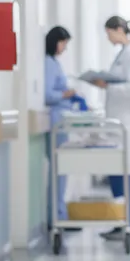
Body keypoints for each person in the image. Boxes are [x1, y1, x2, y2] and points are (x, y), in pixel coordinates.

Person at [89, 16, 130, 241]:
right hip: (119, 121)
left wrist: (108, 86)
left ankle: (128, 224)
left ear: (118, 30)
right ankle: (119, 222)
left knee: (126, 172)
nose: (108, 38)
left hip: (128, 121)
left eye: (109, 33)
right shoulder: (124, 53)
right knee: (116, 170)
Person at [44, 26, 79, 228]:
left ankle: (60, 213)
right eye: (63, 43)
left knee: (61, 171)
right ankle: (57, 216)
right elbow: (48, 94)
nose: (65, 48)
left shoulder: (54, 63)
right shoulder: (48, 63)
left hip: (61, 120)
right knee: (59, 170)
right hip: (56, 122)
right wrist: (66, 94)